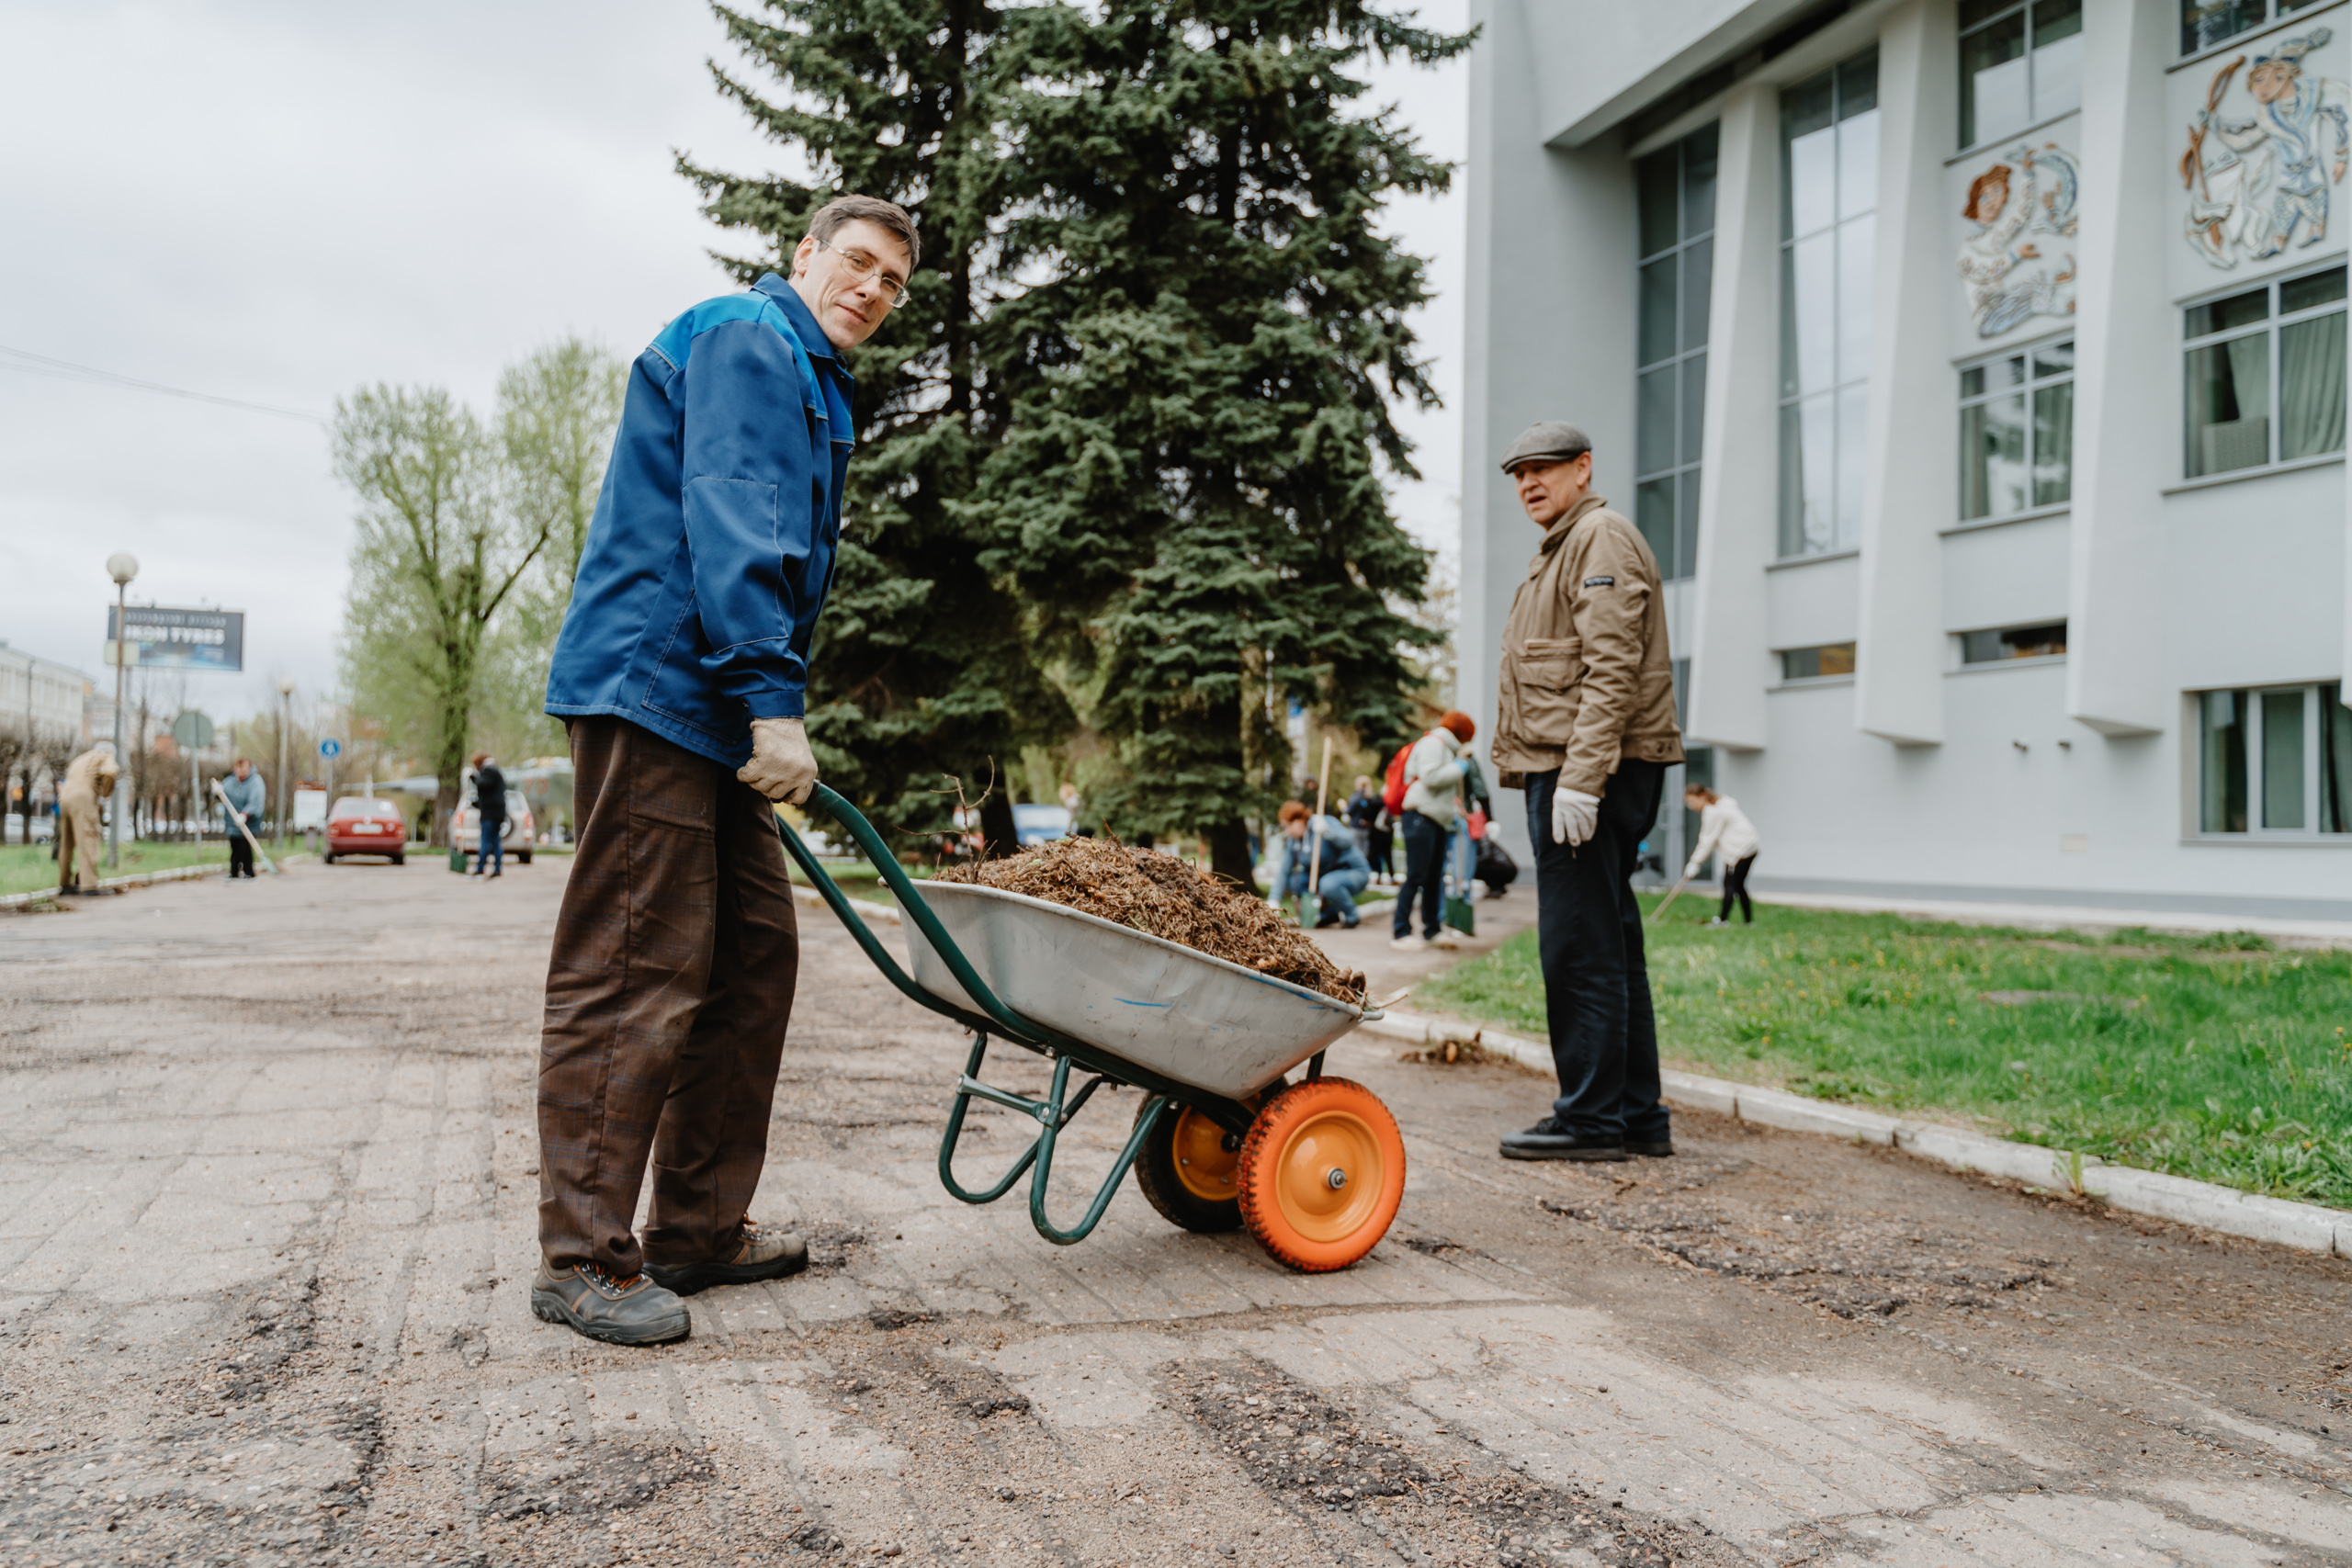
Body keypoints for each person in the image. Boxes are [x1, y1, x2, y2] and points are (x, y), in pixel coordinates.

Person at [534, 194, 917, 1347]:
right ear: (805, 254)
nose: (871, 290)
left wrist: (756, 700)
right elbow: (736, 515)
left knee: (750, 959)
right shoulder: (750, 338)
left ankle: (696, 1228)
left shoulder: (812, 378)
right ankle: (581, 1261)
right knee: (637, 965)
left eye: (893, 282)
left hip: (710, 705)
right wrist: (771, 698)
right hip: (658, 687)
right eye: (857, 262)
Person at [1488, 422, 1685, 1164]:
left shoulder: (1598, 538)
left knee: (1578, 950)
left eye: (1544, 467)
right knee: (1610, 943)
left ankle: (1592, 1118)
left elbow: (1613, 668)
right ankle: (1634, 1114)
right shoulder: (1564, 546)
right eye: (1519, 473)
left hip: (1585, 772)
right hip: (1587, 768)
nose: (1529, 482)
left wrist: (1580, 779)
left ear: (1583, 468)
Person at [1389, 711, 1475, 952]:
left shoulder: (1447, 748)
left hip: (1437, 819)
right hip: (1420, 816)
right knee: (1416, 875)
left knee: (1434, 877)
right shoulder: (1433, 743)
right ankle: (1400, 931)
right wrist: (1460, 767)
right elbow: (1431, 777)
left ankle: (1432, 929)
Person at [1268, 799, 1373, 929]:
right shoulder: (1294, 841)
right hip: (1327, 875)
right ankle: (1329, 914)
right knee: (1296, 880)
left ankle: (1352, 916)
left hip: (1353, 871)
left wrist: (1328, 831)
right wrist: (1274, 900)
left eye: (1290, 825)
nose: (1288, 831)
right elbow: (1284, 871)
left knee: (1328, 884)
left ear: (1300, 819)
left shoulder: (1323, 823)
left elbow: (1349, 841)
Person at [1683, 784, 1760, 926]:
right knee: (1738, 885)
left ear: (1702, 796)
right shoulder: (1721, 803)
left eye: (1692, 801)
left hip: (1741, 849)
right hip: (1748, 847)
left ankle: (1723, 920)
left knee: (1730, 884)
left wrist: (1695, 862)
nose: (1691, 806)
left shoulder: (1712, 811)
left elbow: (1707, 840)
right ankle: (1748, 921)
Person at [54, 743, 119, 895]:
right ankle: (89, 885)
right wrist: (105, 792)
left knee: (66, 843)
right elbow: (111, 772)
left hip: (64, 798)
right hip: (83, 799)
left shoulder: (80, 759)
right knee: (88, 839)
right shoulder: (105, 755)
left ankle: (65, 884)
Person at [218, 757, 266, 879]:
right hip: (232, 822)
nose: (241, 771)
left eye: (244, 768)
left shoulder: (255, 781)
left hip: (249, 823)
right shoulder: (229, 781)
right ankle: (234, 872)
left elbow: (256, 801)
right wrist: (217, 792)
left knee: (245, 847)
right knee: (234, 846)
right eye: (238, 768)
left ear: (249, 768)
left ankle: (248, 872)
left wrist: (245, 814)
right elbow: (223, 796)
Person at [470, 753, 508, 878]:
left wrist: (474, 779)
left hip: (490, 813)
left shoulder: (489, 770)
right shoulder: (496, 771)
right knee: (496, 841)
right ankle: (497, 868)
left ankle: (480, 868)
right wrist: (477, 803)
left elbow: (484, 783)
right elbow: (491, 792)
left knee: (485, 841)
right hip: (498, 812)